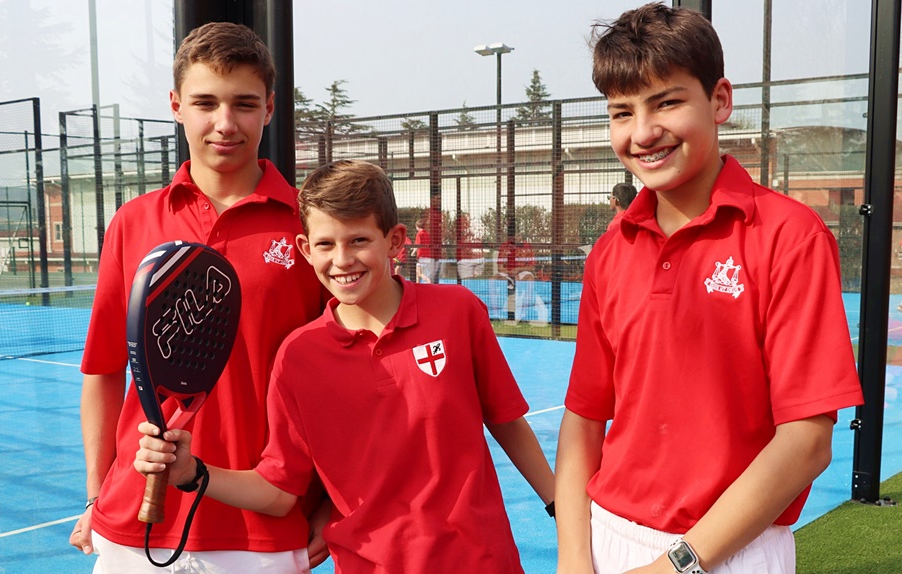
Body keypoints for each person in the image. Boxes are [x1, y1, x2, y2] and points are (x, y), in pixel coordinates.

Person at [554, 4, 865, 574]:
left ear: (720, 100)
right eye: (621, 112)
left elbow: (807, 440)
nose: (643, 133)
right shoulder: (610, 249)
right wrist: (573, 558)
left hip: (731, 550)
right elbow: (584, 417)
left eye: (667, 102)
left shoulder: (789, 235)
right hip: (609, 538)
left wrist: (678, 565)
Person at [134, 160, 556, 572]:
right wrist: (193, 473)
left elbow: (507, 421)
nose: (342, 260)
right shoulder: (298, 357)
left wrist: (563, 507)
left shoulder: (458, 312)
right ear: (305, 249)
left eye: (358, 240)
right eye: (325, 244)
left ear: (394, 241)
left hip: (480, 560)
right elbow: (280, 489)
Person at [70, 22, 329, 573]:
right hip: (133, 524)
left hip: (263, 530)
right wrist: (96, 493)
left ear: (270, 108)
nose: (224, 123)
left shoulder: (312, 226)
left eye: (244, 103)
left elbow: (344, 380)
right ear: (176, 105)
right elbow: (102, 370)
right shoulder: (132, 221)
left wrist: (330, 503)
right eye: (205, 102)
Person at [413, 215, 439, 283]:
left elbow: (418, 245)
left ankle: (427, 280)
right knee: (419, 272)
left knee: (419, 273)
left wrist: (413, 252)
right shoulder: (428, 234)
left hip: (421, 256)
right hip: (428, 256)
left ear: (417, 227)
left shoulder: (419, 234)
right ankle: (418, 285)